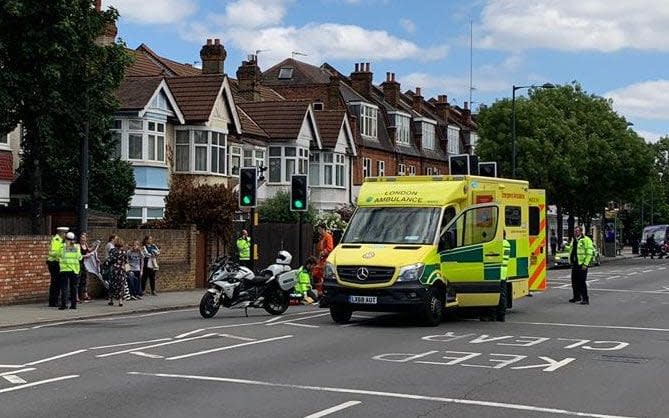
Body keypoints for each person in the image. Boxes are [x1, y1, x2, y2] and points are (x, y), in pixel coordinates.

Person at [566, 226, 595, 305]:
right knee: (574, 282)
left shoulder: (586, 240)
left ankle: (585, 299)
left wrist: (585, 264)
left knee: (582, 282)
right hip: (574, 264)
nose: (575, 232)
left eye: (577, 231)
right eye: (575, 231)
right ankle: (576, 297)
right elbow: (572, 250)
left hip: (582, 264)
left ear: (581, 231)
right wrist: (566, 247)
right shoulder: (574, 240)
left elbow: (589, 253)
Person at [57, 232, 82, 310]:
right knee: (73, 288)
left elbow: (58, 255)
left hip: (64, 269)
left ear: (66, 239)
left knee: (64, 288)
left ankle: (64, 305)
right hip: (74, 270)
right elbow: (80, 257)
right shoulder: (76, 247)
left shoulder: (62, 247)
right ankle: (73, 305)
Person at [47, 226, 69, 307]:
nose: (66, 234)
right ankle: (53, 302)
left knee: (58, 283)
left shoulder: (64, 240)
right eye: (65, 233)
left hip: (59, 263)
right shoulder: (56, 240)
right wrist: (62, 254)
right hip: (54, 263)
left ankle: (56, 300)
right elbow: (53, 253)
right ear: (61, 233)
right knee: (55, 283)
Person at [312, 223, 334, 297]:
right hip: (321, 259)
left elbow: (330, 248)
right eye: (318, 229)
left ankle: (322, 292)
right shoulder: (321, 237)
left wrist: (323, 253)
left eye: (320, 229)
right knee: (316, 273)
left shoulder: (328, 237)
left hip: (325, 259)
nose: (319, 231)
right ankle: (320, 291)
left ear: (324, 229)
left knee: (321, 275)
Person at [105, 237, 128, 307]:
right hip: (121, 270)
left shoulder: (113, 251)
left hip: (114, 270)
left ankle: (111, 300)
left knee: (112, 285)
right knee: (121, 285)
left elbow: (109, 260)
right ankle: (120, 301)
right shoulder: (124, 252)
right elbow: (126, 261)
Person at [77, 232, 93, 303]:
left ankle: (85, 294)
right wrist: (86, 256)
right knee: (78, 280)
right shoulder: (77, 245)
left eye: (85, 237)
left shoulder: (85, 244)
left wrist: (95, 246)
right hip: (79, 264)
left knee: (84, 279)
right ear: (80, 238)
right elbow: (77, 255)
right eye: (82, 237)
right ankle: (76, 296)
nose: (84, 239)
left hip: (85, 264)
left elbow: (89, 250)